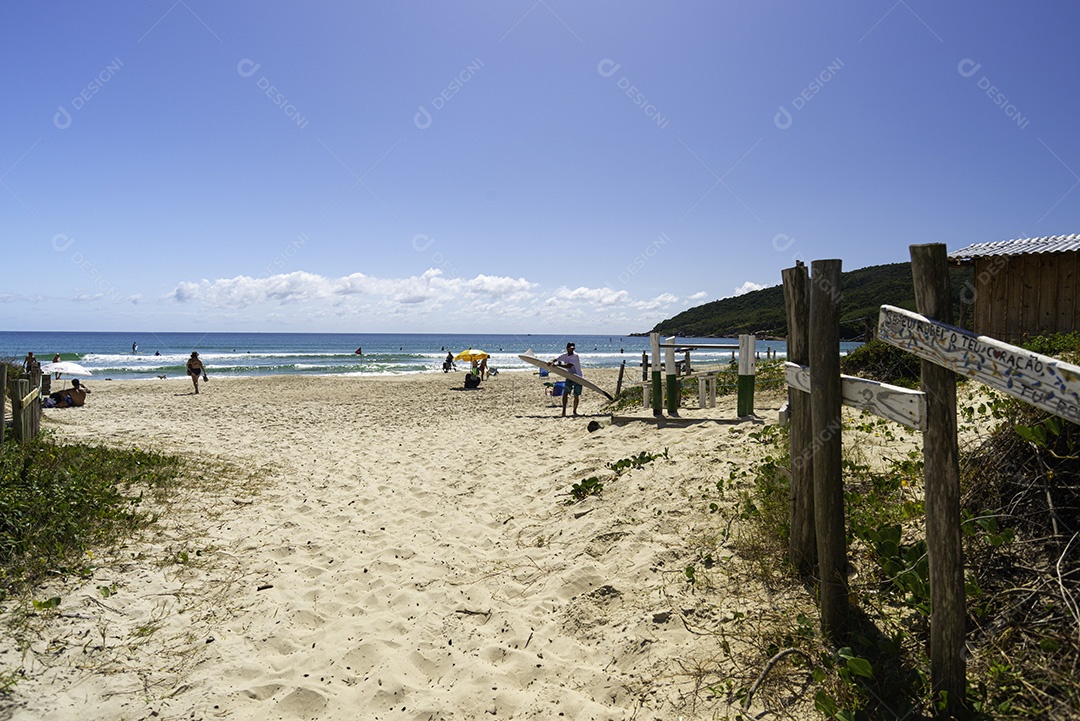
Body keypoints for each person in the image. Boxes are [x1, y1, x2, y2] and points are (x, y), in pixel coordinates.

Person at [552, 342, 583, 417]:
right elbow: (556, 359)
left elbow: (569, 366)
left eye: (573, 348)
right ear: (567, 348)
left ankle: (574, 411)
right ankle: (563, 411)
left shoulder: (575, 356)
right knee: (565, 393)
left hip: (578, 377)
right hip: (570, 376)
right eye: (570, 348)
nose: (572, 349)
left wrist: (558, 365)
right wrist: (551, 361)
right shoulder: (564, 355)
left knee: (576, 395)